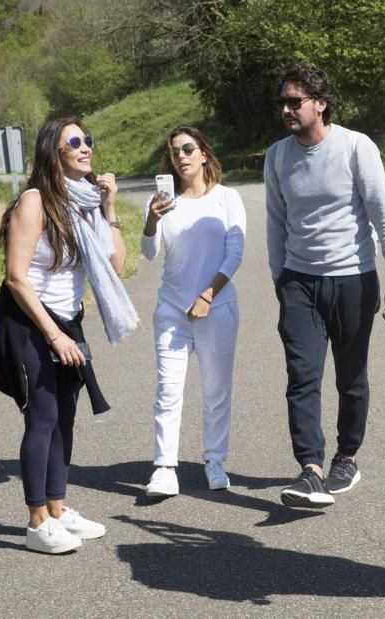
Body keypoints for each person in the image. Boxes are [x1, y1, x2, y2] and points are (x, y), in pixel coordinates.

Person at [264, 63, 385, 509]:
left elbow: (383, 216)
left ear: (321, 104)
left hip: (352, 279)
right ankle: (309, 468)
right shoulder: (277, 155)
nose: (288, 109)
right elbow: (276, 221)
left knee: (351, 376)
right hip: (299, 283)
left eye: (296, 101)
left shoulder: (355, 147)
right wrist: (280, 279)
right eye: (284, 102)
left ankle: (346, 458)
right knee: (302, 376)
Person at [0, 117, 138, 554]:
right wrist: (54, 336)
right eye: (75, 141)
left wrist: (110, 209)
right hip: (30, 320)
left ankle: (58, 508)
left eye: (88, 139)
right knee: (43, 416)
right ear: (52, 152)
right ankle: (37, 521)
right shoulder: (34, 202)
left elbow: (114, 266)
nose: (85, 147)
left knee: (65, 416)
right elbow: (16, 278)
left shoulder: (85, 202)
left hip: (68, 320)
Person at [141, 126, 247, 497]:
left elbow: (235, 252)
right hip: (172, 310)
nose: (182, 156)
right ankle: (165, 468)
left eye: (188, 149)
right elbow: (149, 254)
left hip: (216, 309)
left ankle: (215, 461)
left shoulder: (227, 198)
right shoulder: (162, 202)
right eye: (174, 152)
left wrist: (207, 295)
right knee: (168, 392)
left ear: (204, 153)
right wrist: (152, 220)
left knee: (216, 391)